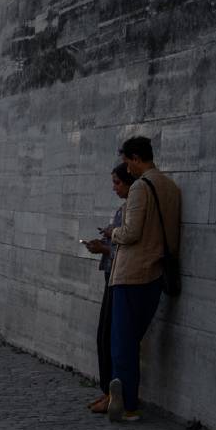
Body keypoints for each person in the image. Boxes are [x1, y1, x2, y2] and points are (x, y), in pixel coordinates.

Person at [92, 135, 183, 421]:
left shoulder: (141, 188)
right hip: (156, 272)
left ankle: (127, 404)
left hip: (131, 273)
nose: (126, 169)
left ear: (135, 158)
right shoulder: (171, 188)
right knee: (132, 338)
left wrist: (111, 233)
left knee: (122, 342)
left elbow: (130, 233)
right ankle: (123, 397)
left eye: (126, 162)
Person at [85, 164, 137, 415]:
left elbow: (129, 247)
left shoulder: (131, 211)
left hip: (121, 277)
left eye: (117, 182)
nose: (114, 187)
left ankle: (112, 393)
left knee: (109, 336)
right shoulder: (123, 209)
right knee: (103, 335)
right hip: (112, 275)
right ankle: (107, 391)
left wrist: (105, 247)